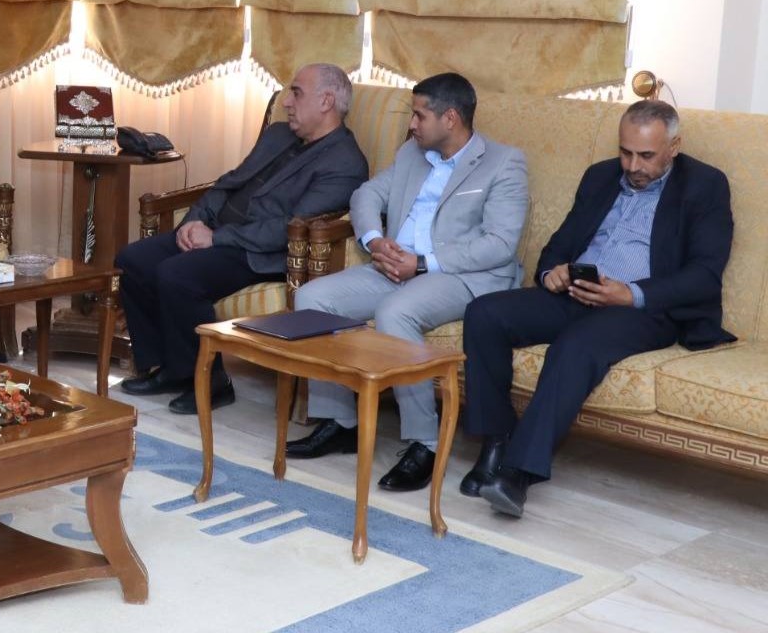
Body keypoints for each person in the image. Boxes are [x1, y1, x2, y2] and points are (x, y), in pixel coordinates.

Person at [460, 100, 732, 517]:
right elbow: (559, 245)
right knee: (484, 314)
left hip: (644, 311)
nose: (633, 166)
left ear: (674, 147)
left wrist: (630, 294)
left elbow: (705, 275)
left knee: (575, 345)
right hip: (577, 293)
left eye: (646, 155)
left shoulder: (705, 185)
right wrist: (552, 272)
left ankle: (517, 473)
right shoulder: (601, 176)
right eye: (626, 152)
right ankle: (496, 443)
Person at [284, 73, 529, 492]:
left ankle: (425, 443)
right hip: (394, 266)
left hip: (460, 276)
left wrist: (422, 263)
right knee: (311, 298)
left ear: (450, 118)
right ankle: (341, 423)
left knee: (396, 312)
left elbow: (500, 244)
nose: (411, 124)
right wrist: (375, 240)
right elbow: (365, 195)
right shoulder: (412, 153)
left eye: (419, 115)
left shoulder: (503, 163)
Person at [116, 63, 370, 414]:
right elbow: (229, 182)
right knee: (132, 260)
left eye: (296, 93)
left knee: (177, 275)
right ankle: (169, 368)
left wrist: (216, 237)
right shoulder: (279, 134)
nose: (286, 102)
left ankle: (211, 381)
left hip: (258, 250)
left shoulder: (345, 162)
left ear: (326, 101)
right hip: (218, 231)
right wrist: (194, 221)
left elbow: (291, 227)